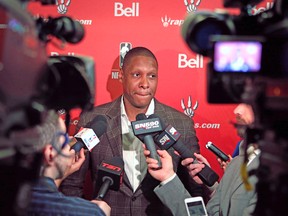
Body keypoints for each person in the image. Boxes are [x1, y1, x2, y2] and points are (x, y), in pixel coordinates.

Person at [59, 47, 203, 215]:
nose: (145, 84)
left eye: (152, 76)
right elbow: (72, 184)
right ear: (121, 75)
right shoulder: (92, 120)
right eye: (136, 75)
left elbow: (195, 190)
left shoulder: (181, 123)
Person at [12, 111, 111, 215]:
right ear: (50, 153)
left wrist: (60, 171)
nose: (69, 144)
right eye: (64, 141)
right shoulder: (88, 212)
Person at [145, 142, 260, 216]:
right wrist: (168, 177)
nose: (237, 110)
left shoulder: (274, 173)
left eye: (249, 105)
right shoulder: (237, 162)